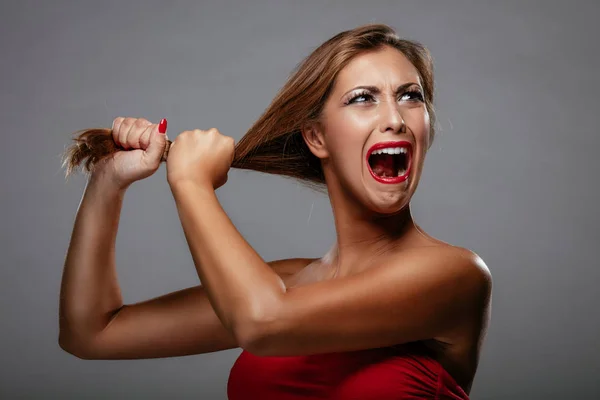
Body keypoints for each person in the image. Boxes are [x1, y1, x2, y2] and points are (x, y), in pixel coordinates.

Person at [59, 23, 492, 399]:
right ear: (316, 137)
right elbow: (92, 333)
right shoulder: (284, 284)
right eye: (364, 98)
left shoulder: (454, 275)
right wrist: (108, 183)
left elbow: (263, 324)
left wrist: (191, 182)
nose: (395, 118)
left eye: (410, 96)